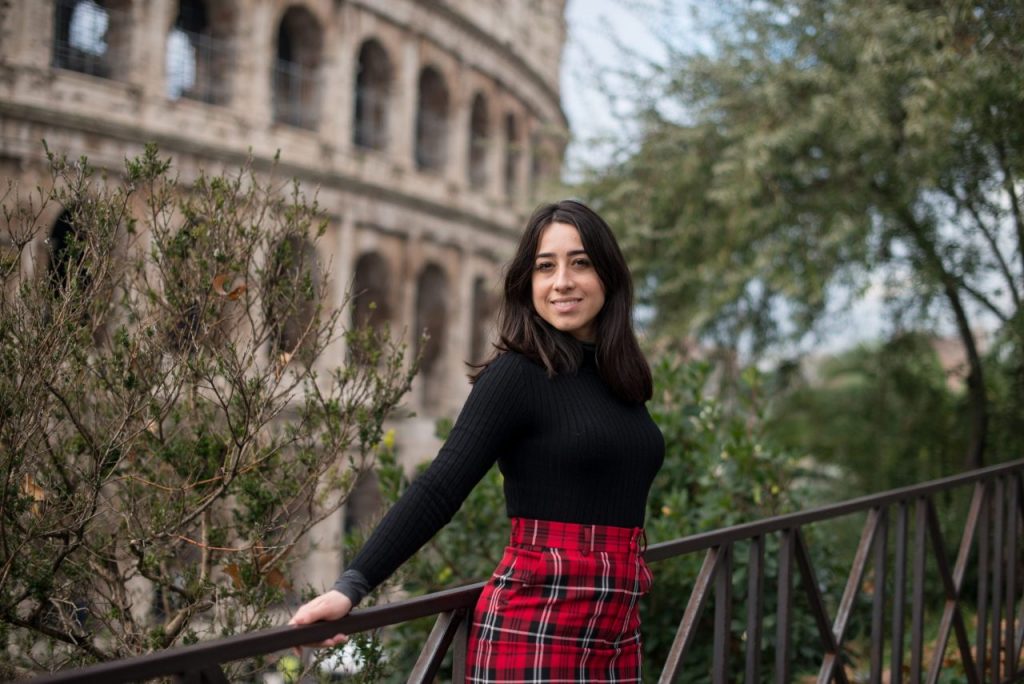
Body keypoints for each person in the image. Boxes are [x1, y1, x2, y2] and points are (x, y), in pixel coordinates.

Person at [289, 199, 665, 682]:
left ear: (609, 275)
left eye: (581, 263)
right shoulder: (518, 374)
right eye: (544, 267)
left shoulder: (622, 378)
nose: (562, 282)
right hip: (536, 627)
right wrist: (351, 586)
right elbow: (440, 487)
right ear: (527, 285)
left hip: (617, 629)